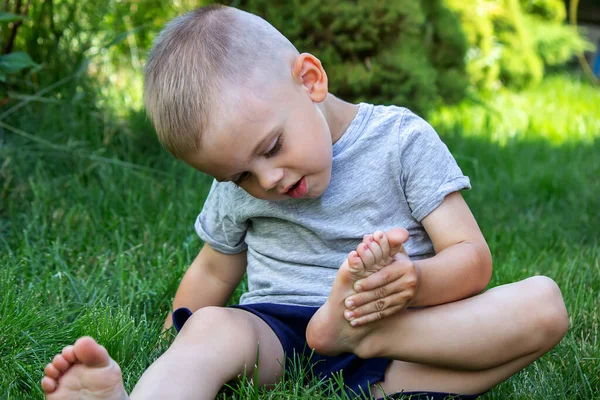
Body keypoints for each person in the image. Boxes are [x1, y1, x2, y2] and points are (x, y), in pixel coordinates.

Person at [41, 5, 569, 400]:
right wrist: (171, 346)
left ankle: (365, 345)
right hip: (280, 335)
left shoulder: (401, 139)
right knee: (210, 327)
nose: (267, 178)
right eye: (241, 174)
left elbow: (472, 259)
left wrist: (413, 283)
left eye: (271, 147)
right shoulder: (237, 184)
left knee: (543, 304)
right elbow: (211, 271)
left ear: (310, 81)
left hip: (401, 335)